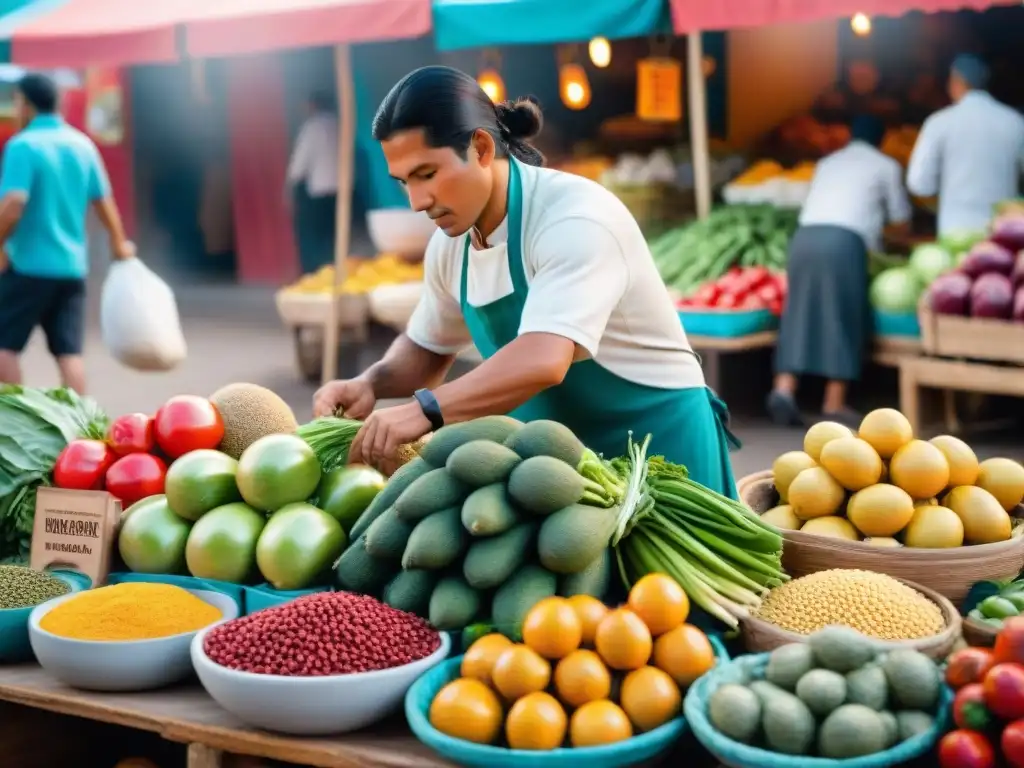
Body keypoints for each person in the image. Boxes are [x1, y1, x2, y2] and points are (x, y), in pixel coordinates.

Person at [313, 66, 739, 498]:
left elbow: (544, 358)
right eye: (404, 182)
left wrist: (425, 410)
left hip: (665, 458)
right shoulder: (452, 243)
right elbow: (427, 347)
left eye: (427, 174)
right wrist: (369, 383)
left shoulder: (574, 217)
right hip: (571, 477)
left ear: (480, 148)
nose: (418, 201)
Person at [768, 115, 911, 428]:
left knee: (798, 311)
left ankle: (784, 388)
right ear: (881, 139)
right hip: (843, 241)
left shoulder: (828, 162)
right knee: (843, 312)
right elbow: (901, 218)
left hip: (805, 237)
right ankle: (833, 402)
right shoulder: (885, 165)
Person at [0, 72, 134, 395]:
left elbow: (14, 204)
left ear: (24, 104)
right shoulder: (82, 144)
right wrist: (119, 242)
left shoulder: (23, 145)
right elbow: (103, 201)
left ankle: (18, 421)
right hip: (72, 268)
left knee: (4, 348)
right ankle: (81, 427)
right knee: (68, 353)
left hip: (28, 267)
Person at [907, 54, 1024, 236]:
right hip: (1003, 233)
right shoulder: (1015, 122)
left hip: (955, 231)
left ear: (956, 80)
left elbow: (919, 184)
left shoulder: (939, 122)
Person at [287, 90, 339, 275]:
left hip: (319, 190)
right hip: (342, 189)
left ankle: (316, 272)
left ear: (313, 105)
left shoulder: (312, 127)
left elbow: (299, 164)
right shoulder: (338, 123)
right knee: (334, 234)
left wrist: (290, 185)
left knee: (314, 235)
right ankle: (334, 268)